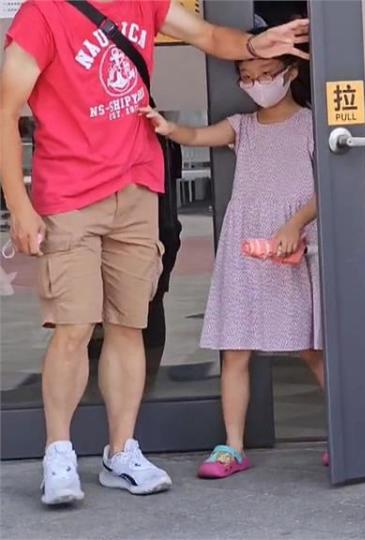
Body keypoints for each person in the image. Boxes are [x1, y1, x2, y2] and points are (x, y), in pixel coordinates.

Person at [0, 0, 309, 505]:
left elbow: (209, 36)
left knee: (129, 325)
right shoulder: (43, 12)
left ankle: (121, 453)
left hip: (138, 185)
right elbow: (6, 108)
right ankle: (58, 453)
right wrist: (19, 205)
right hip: (70, 193)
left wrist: (256, 44)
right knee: (75, 327)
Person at [142, 30, 324, 478]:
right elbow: (196, 133)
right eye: (248, 76)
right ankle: (233, 446)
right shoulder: (242, 127)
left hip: (292, 248)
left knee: (311, 347)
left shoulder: (312, 125)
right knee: (236, 349)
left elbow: (328, 191)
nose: (257, 83)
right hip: (246, 250)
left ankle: (347, 431)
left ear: (291, 72)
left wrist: (294, 224)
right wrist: (166, 127)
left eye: (267, 74)